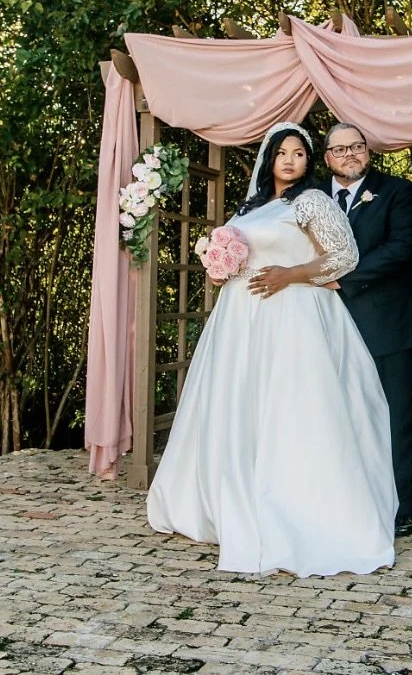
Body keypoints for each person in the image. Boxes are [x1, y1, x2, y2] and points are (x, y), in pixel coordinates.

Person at [146, 122, 398, 577]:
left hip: (291, 313)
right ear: (269, 158)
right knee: (240, 403)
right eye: (282, 153)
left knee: (291, 405)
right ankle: (225, 496)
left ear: (309, 161)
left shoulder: (311, 201)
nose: (289, 160)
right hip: (240, 318)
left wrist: (290, 274)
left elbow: (343, 256)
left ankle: (296, 506)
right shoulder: (251, 206)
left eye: (299, 153)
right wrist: (220, 266)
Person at [321, 122, 412, 537]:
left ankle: (400, 508)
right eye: (339, 149)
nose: (349, 154)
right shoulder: (310, 196)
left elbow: (401, 248)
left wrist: (342, 279)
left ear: (368, 151)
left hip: (390, 327)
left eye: (357, 146)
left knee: (397, 419)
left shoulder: (398, 192)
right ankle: (345, 500)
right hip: (325, 327)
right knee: (334, 417)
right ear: (327, 158)